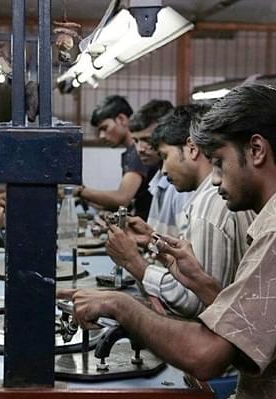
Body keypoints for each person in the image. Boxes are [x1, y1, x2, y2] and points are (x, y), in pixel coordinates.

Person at [60, 83, 276, 399]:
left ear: (256, 150)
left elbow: (207, 356)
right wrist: (204, 284)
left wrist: (119, 305)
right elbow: (254, 332)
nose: (214, 178)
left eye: (220, 162)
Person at [107, 104, 254, 317]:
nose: (164, 169)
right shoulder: (216, 197)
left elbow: (194, 303)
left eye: (165, 156)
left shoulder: (208, 205)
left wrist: (133, 262)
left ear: (192, 149)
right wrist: (152, 239)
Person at [76, 95, 157, 221]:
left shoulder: (138, 152)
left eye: (104, 128)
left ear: (121, 119)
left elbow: (122, 198)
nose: (102, 136)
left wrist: (79, 191)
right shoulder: (129, 154)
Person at [129, 100, 193, 236]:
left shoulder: (180, 188)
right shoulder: (159, 181)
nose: (140, 149)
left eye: (147, 139)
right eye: (135, 141)